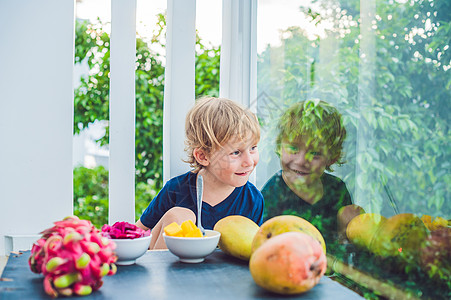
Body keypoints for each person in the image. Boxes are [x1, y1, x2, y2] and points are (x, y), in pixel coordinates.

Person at [136, 97, 264, 249]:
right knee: (180, 216)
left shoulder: (253, 200)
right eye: (236, 152)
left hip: (219, 271)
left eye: (253, 148)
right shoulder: (176, 189)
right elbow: (137, 232)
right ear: (203, 156)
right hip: (166, 265)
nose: (249, 161)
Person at [261, 99, 353, 247]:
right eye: (294, 148)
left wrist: (346, 230)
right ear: (280, 146)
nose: (302, 161)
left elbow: (344, 244)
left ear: (332, 157)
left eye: (315, 153)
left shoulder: (336, 190)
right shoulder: (271, 195)